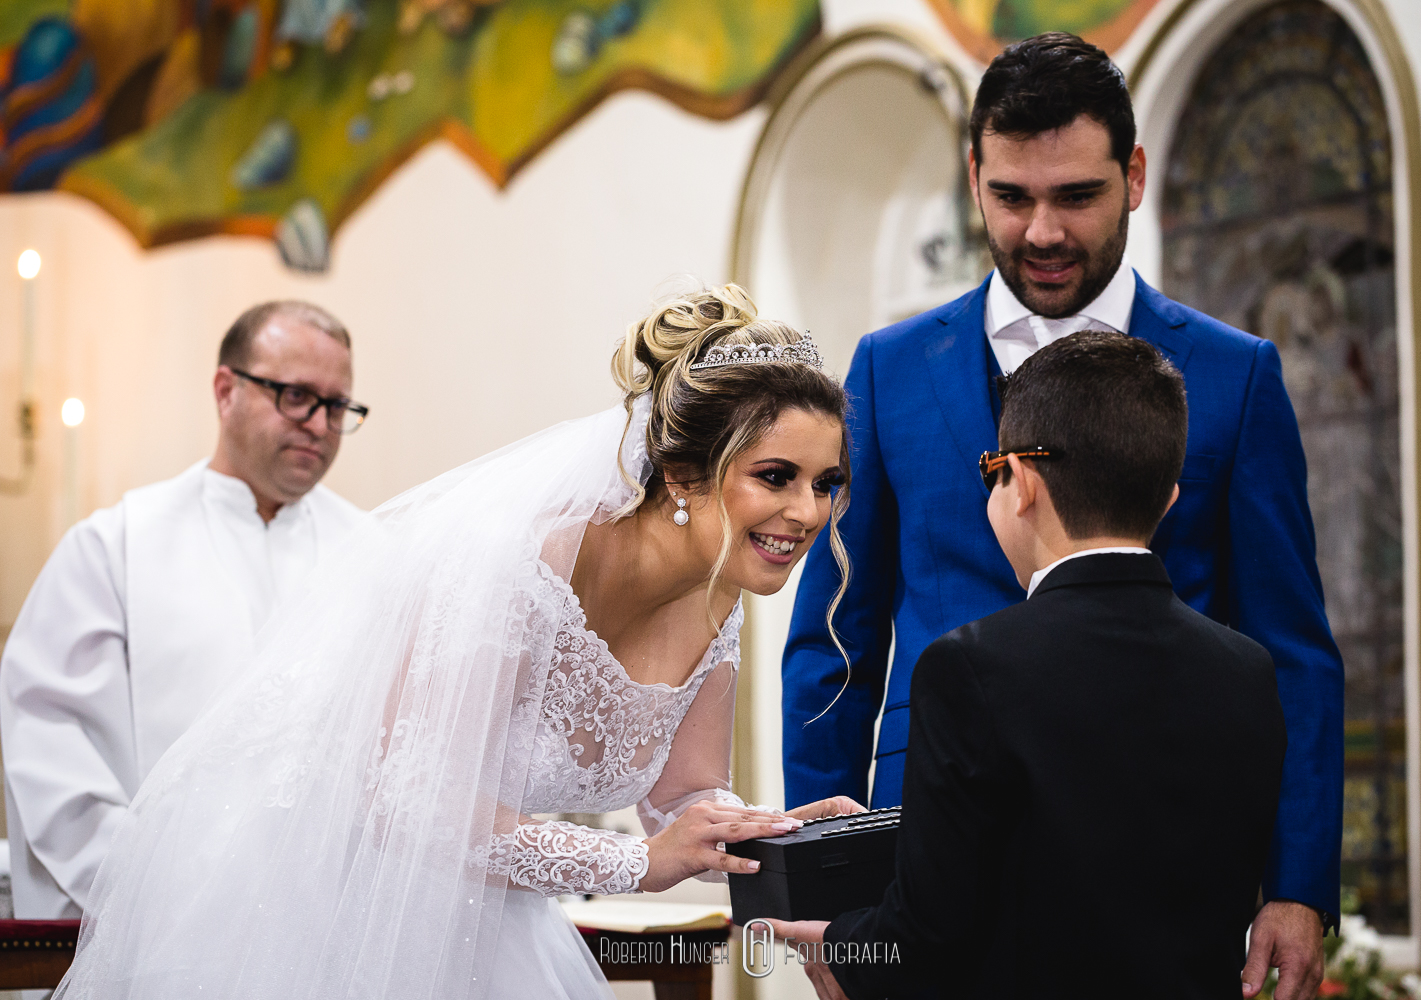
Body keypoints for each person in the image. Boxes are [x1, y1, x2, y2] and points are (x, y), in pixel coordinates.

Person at [53, 284, 860, 1000]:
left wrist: (782, 838)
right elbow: (402, 794)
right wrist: (633, 866)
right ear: (684, 472)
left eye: (825, 483)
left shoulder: (721, 598)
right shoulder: (529, 562)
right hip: (330, 903)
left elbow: (682, 799)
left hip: (483, 913)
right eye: (776, 475)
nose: (808, 512)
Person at [781, 32, 1343, 997]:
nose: (1042, 231)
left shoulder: (1233, 375)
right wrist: (826, 875)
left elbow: (1291, 645)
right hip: (923, 856)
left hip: (1158, 856)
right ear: (974, 177)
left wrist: (1297, 886)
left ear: (1132, 175)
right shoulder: (887, 368)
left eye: (1075, 196)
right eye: (1012, 197)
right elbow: (836, 637)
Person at [770, 331, 1288, 999]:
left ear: (1022, 484)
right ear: (1167, 499)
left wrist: (842, 946)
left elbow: (929, 935)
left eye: (994, 472)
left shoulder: (969, 669)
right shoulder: (1246, 671)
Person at [1, 300, 368, 921]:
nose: (320, 424)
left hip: (327, 927)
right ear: (226, 390)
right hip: (150, 926)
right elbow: (51, 746)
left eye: (338, 406)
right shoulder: (114, 548)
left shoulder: (371, 554)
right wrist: (155, 904)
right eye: (297, 396)